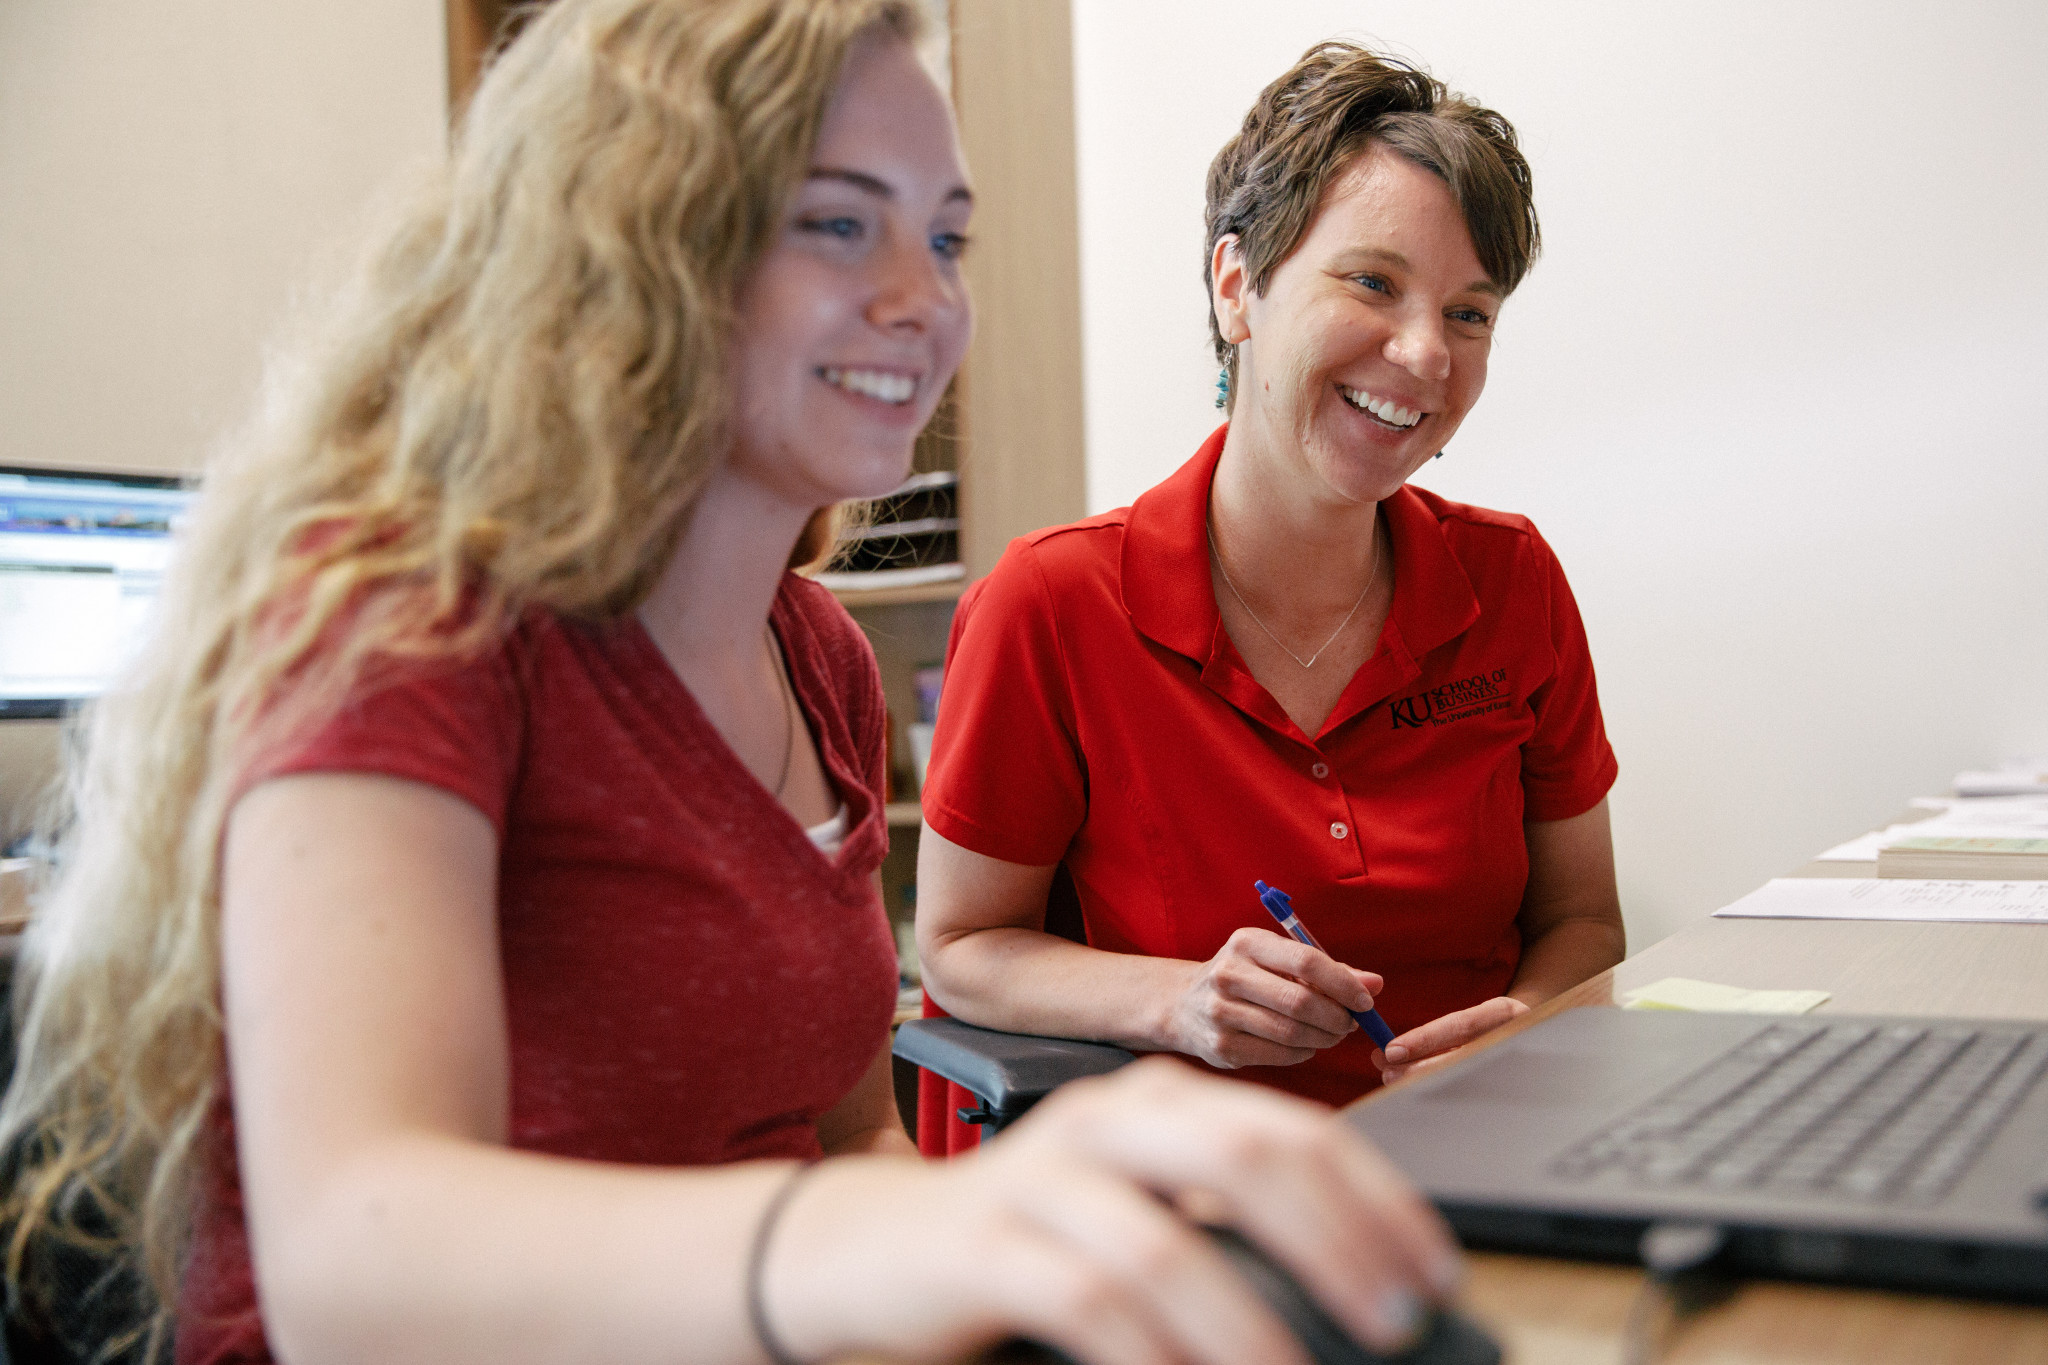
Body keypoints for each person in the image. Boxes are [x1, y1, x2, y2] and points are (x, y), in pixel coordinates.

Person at [0, 4, 1465, 1363]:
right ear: (637, 244)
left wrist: (1003, 1278)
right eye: (839, 223)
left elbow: (845, 1140)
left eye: (944, 240)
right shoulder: (395, 624)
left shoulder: (811, 654)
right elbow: (351, 1259)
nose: (924, 301)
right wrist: (906, 1236)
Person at [915, 42, 1624, 1153]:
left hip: (1488, 1161)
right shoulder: (1049, 601)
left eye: (1469, 313)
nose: (1424, 351)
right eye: (1372, 283)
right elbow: (961, 947)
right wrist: (1174, 1000)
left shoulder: (1511, 579)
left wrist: (1530, 1028)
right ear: (1235, 286)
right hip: (1191, 1194)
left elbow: (1582, 921)